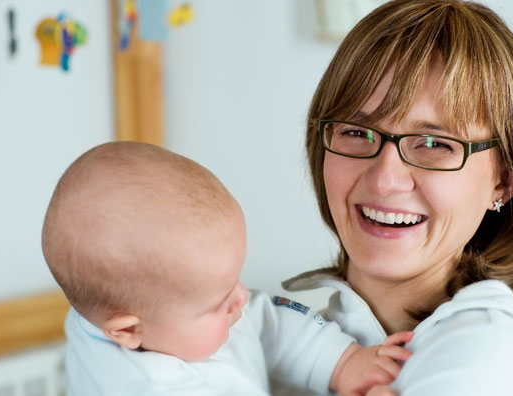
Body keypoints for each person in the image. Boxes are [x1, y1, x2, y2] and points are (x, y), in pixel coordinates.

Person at [282, 0, 513, 395]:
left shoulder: (493, 356)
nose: (384, 180)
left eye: (435, 143)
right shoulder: (293, 337)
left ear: (504, 181)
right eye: (356, 133)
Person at [41, 141, 413, 395]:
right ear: (127, 330)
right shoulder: (154, 386)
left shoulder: (146, 315)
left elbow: (269, 322)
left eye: (235, 279)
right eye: (216, 302)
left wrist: (345, 362)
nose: (241, 297)